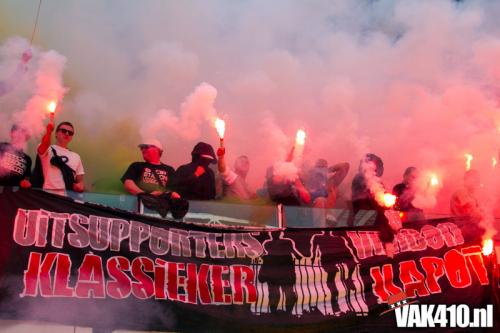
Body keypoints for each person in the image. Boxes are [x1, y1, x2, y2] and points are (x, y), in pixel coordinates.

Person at [351, 153, 396, 253]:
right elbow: (365, 200)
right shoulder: (359, 178)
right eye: (377, 166)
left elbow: (383, 202)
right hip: (364, 218)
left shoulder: (377, 182)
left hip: (374, 219)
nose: (378, 170)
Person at [36, 119, 84, 195]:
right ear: (56, 133)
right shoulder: (48, 150)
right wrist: (49, 131)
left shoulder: (76, 156)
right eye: (64, 131)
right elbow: (43, 147)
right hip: (49, 196)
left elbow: (80, 180)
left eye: (70, 133)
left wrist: (80, 185)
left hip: (68, 198)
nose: (67, 133)